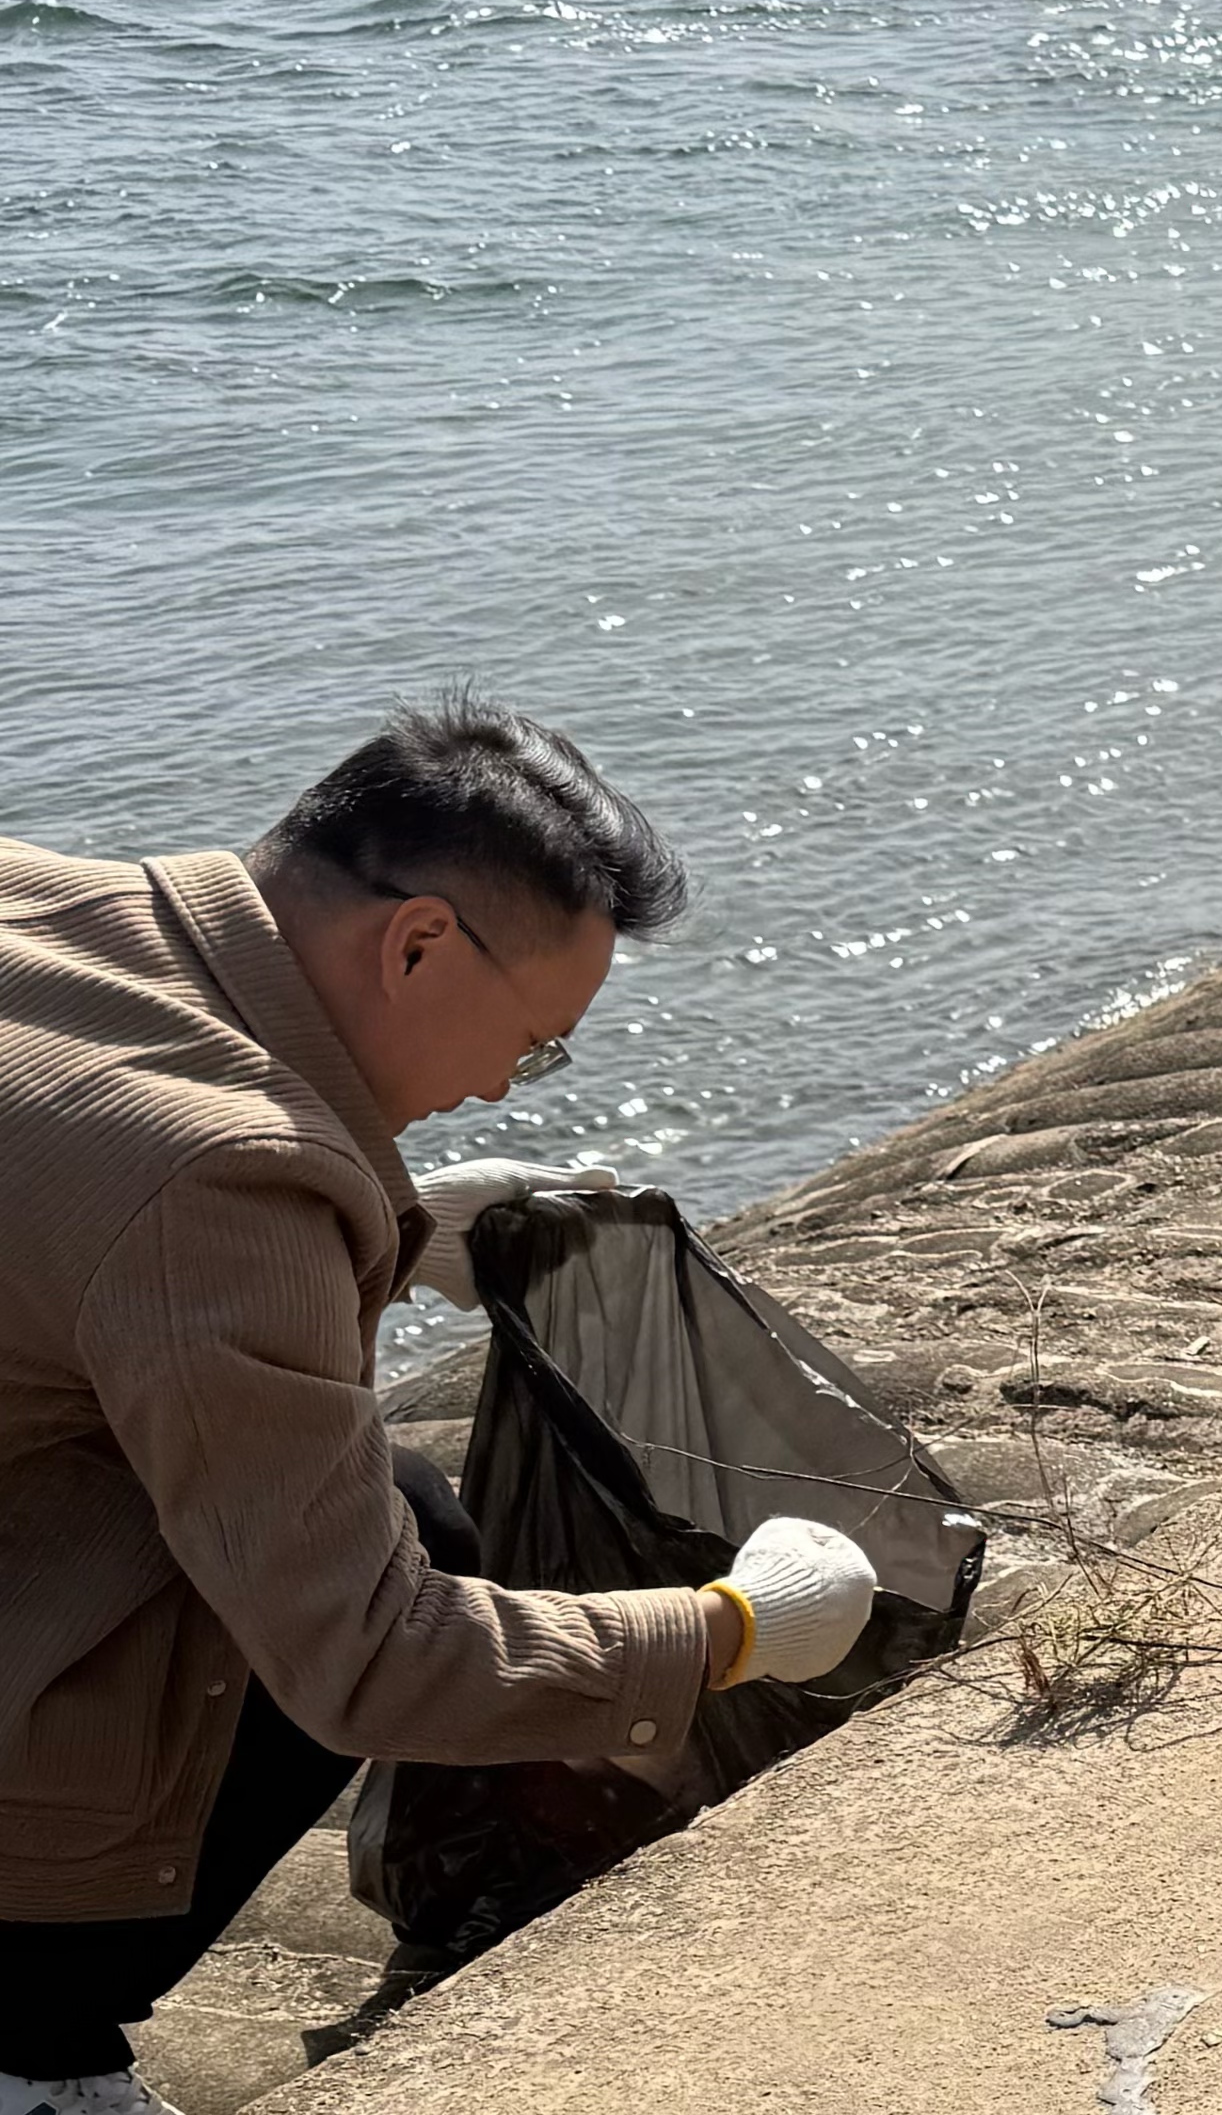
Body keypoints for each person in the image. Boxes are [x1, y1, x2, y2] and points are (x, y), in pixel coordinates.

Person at [1, 701, 878, 2115]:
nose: (491, 1087)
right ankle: (31, 2040)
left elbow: (63, 1243)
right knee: (384, 1564)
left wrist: (396, 1236)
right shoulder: (223, 1172)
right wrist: (729, 1631)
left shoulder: (46, 903)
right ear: (414, 944)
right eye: (531, 1045)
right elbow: (371, 1657)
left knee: (386, 1495)